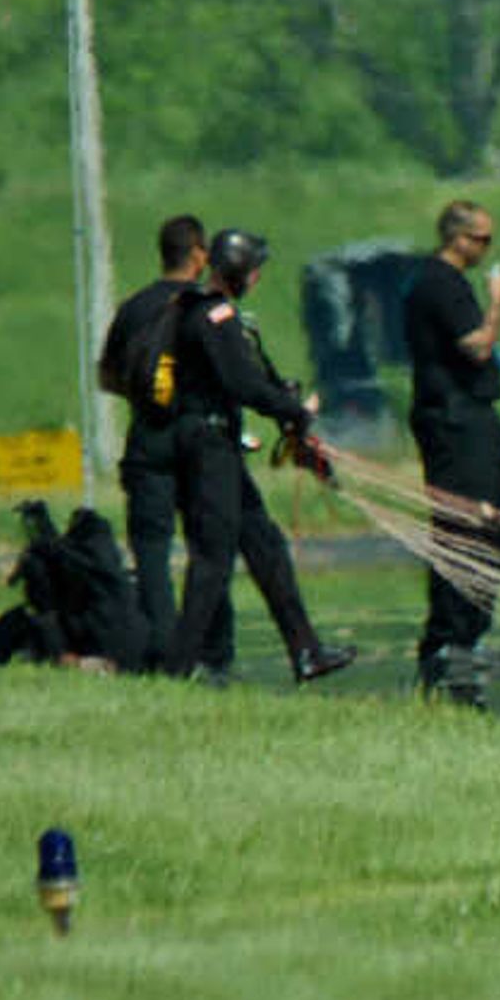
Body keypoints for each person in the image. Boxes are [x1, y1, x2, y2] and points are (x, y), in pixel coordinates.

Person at [154, 229, 357, 685]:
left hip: (216, 445)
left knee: (266, 547)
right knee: (212, 561)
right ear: (240, 274)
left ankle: (306, 651)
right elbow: (243, 384)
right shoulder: (215, 317)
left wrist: (283, 404)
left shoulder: (202, 312)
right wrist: (294, 411)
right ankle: (177, 670)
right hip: (208, 448)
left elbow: (247, 381)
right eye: (255, 270)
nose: (259, 277)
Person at [402, 197, 500, 695]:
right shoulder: (441, 284)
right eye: (481, 239)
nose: (487, 248)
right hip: (455, 420)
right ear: (457, 237)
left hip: (468, 417)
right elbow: (476, 345)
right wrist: (498, 300)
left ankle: (467, 637)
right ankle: (450, 641)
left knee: (490, 523)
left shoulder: (439, 282)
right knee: (466, 527)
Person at [99, 213, 215, 666]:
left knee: (151, 546)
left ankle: (164, 649)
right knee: (207, 546)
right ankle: (204, 649)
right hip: (197, 439)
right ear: (198, 254)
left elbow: (107, 377)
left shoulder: (134, 308)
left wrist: (146, 397)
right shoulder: (203, 305)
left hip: (147, 438)